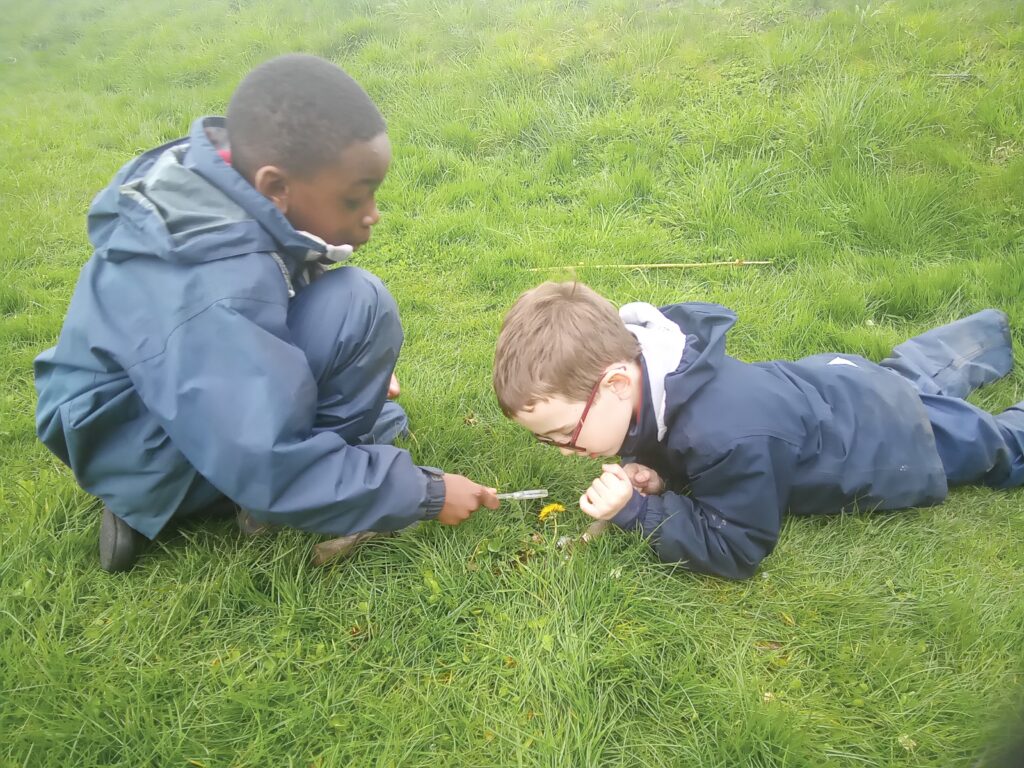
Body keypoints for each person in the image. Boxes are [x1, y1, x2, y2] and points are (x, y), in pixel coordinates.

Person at [34, 54, 498, 572]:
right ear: (276, 186)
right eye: (354, 199)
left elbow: (260, 312)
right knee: (360, 304)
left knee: (351, 310)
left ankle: (171, 490)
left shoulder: (216, 186)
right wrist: (425, 493)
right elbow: (260, 458)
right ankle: (169, 498)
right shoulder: (216, 289)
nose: (372, 215)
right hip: (138, 449)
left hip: (133, 415)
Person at [493, 281, 1024, 580]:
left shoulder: (730, 436)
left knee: (996, 447)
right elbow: (664, 433)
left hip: (887, 439)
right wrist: (657, 477)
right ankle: (987, 334)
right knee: (901, 379)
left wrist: (637, 510)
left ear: (612, 384)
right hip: (839, 383)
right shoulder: (651, 364)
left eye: (563, 432)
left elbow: (738, 545)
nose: (561, 450)